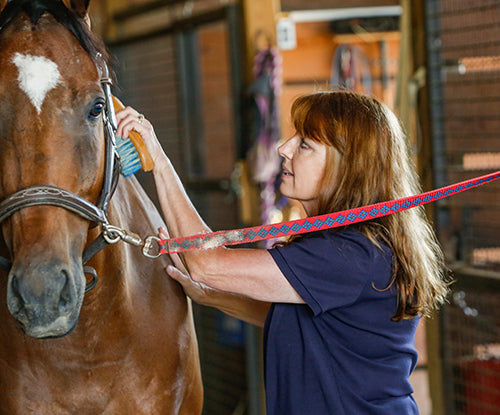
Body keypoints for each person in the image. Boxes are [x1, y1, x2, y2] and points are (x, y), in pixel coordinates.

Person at [115, 90, 449, 415]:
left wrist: (158, 161)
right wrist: (209, 295)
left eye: (305, 144)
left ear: (347, 168)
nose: (284, 148)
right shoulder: (344, 245)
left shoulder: (351, 254)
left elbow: (207, 263)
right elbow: (299, 321)